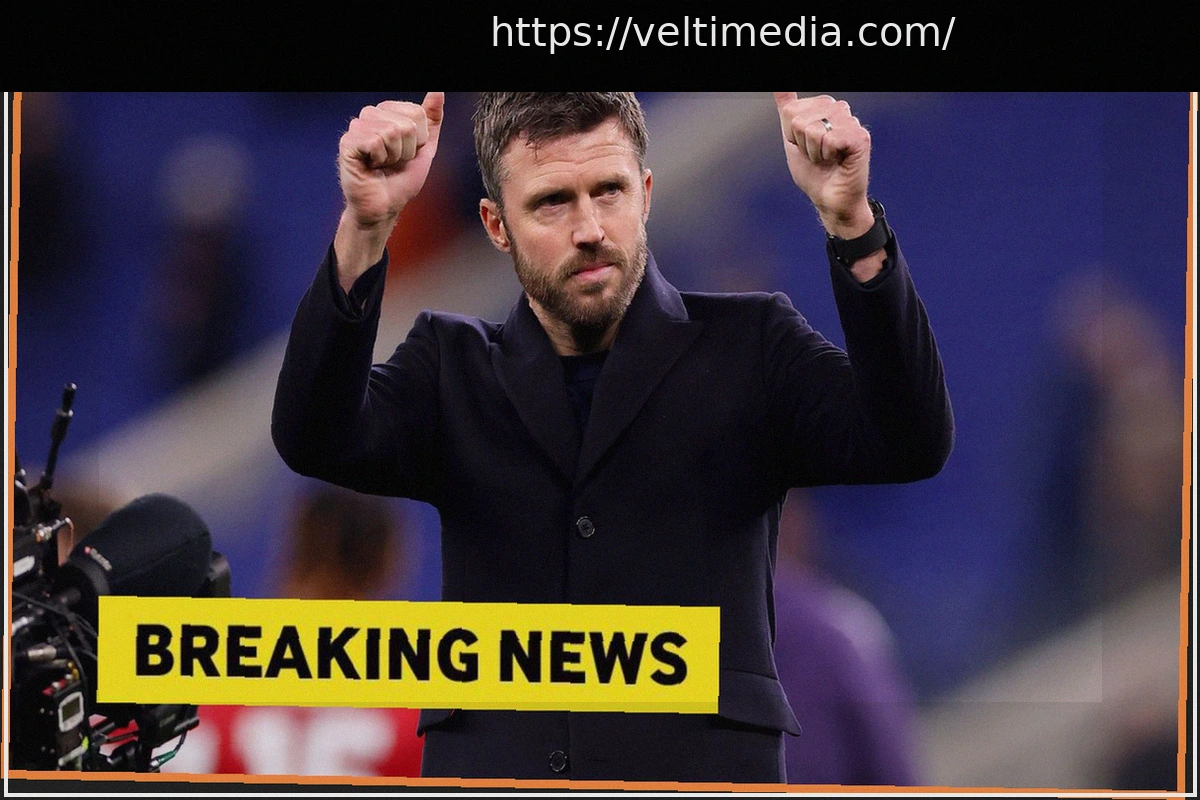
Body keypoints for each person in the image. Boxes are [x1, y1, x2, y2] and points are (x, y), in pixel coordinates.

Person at [272, 92, 953, 783]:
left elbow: (910, 440)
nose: (590, 228)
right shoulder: (451, 368)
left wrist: (852, 225)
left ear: (646, 194)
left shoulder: (751, 347)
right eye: (552, 202)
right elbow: (313, 437)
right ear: (496, 225)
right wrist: (365, 228)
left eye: (609, 191)